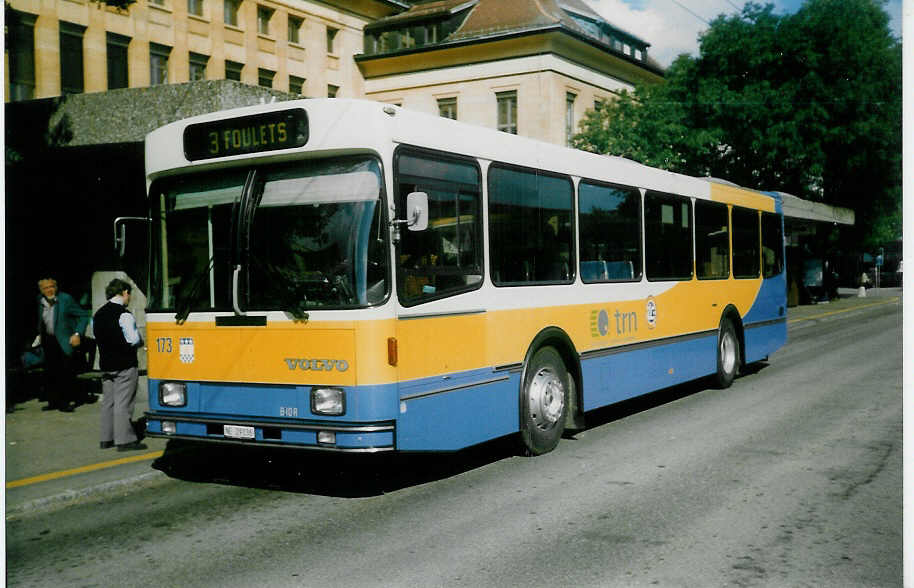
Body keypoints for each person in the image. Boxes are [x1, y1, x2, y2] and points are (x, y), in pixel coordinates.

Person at [93, 278, 146, 451]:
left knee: (108, 403)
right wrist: (141, 341)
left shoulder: (98, 314)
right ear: (124, 292)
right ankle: (124, 440)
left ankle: (106, 438)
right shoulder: (124, 314)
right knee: (124, 403)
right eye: (129, 294)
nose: (129, 298)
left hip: (106, 365)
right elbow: (133, 339)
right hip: (125, 364)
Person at [35, 277, 90, 412]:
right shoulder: (39, 300)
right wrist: (38, 335)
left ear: (56, 287)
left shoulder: (66, 299)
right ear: (41, 290)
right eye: (46, 288)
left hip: (64, 340)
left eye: (51, 287)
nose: (49, 290)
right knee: (50, 372)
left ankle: (65, 402)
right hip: (48, 340)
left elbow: (83, 315)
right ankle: (53, 401)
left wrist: (77, 334)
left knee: (65, 372)